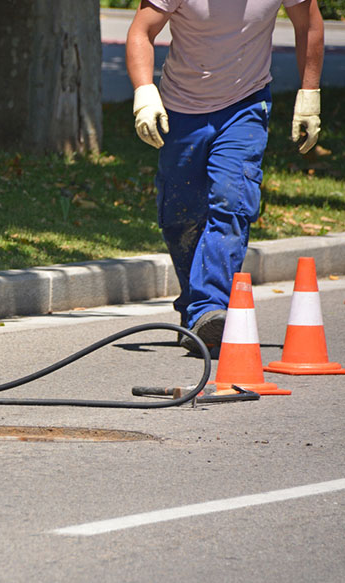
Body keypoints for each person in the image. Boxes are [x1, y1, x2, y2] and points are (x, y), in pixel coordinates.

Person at [125, 0, 324, 354]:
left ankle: (210, 307)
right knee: (179, 216)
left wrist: (310, 92)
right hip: (181, 109)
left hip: (245, 106)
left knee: (232, 202)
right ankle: (196, 309)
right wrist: (143, 90)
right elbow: (142, 31)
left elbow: (308, 24)